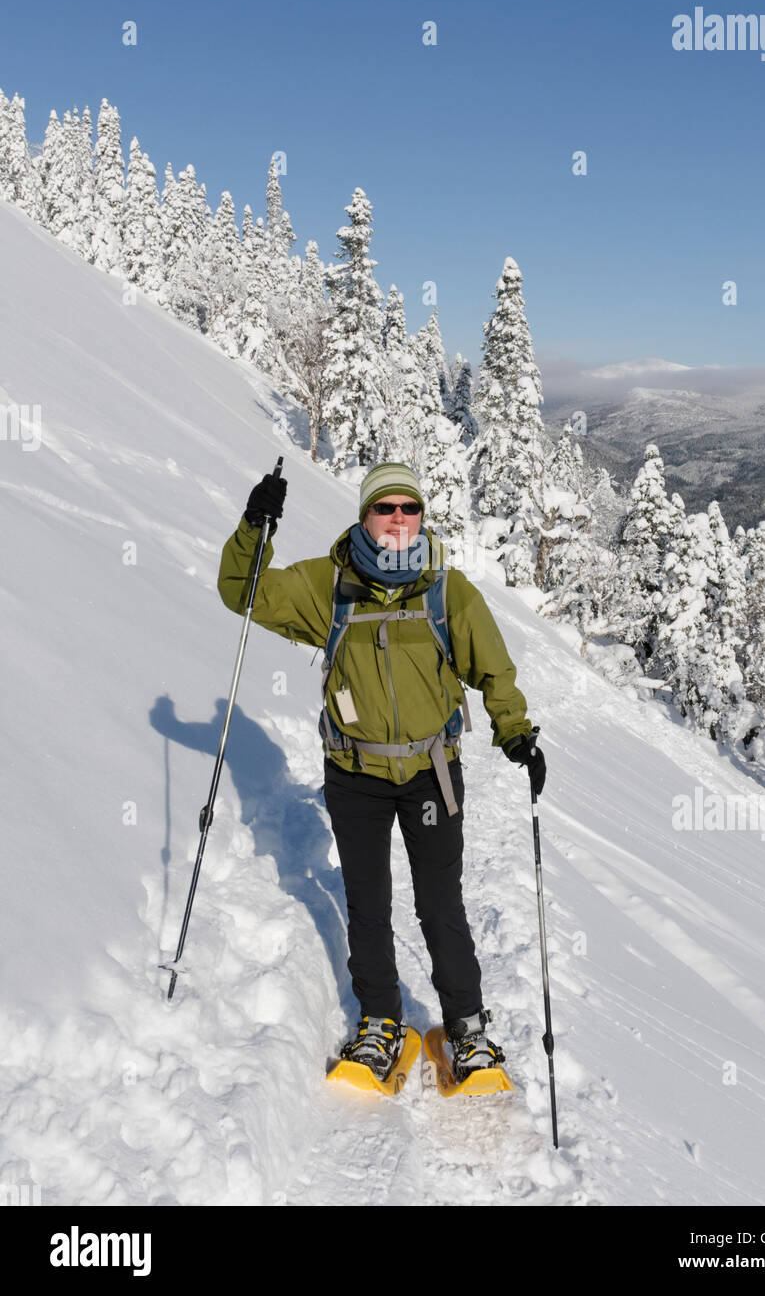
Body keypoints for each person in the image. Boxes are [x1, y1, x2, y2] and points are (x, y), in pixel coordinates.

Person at [217, 461, 546, 1082]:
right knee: (368, 903)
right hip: (354, 774)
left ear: (422, 516)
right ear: (364, 515)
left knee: (439, 904)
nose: (398, 519)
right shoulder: (328, 587)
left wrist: (515, 732)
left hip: (431, 773)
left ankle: (467, 1027)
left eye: (409, 508)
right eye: (384, 507)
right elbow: (244, 591)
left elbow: (494, 671)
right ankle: (380, 1020)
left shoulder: (450, 593)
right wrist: (254, 525)